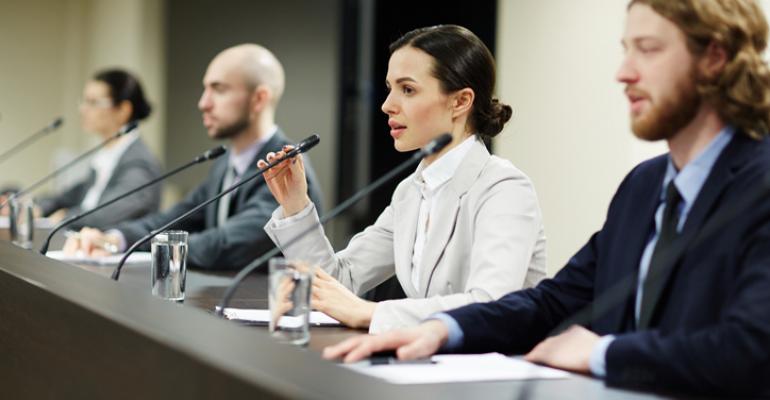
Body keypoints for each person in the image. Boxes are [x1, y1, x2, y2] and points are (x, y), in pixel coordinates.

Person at [323, 1, 770, 396]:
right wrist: (443, 329)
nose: (623, 72)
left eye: (648, 50)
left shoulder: (760, 184)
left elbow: (752, 349)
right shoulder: (644, 185)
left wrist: (604, 354)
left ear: (714, 58)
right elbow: (553, 300)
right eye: (625, 49)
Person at [258, 25, 546, 333]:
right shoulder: (411, 191)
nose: (387, 105)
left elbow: (490, 304)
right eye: (390, 88)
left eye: (407, 90)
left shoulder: (504, 189)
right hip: (430, 363)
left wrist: (373, 314)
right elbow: (341, 283)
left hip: (496, 371)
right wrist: (295, 205)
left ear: (460, 102)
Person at [63, 44, 324, 270]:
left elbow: (225, 245)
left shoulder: (286, 170)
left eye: (218, 89)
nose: (203, 103)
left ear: (259, 99)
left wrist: (146, 245)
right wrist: (116, 238)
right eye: (205, 89)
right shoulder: (225, 164)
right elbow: (174, 218)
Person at [37, 69, 162, 229]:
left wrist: (66, 217)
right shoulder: (107, 154)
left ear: (123, 110)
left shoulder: (140, 162)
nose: (83, 109)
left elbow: (108, 213)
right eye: (83, 101)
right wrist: (39, 207)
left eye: (93, 102)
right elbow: (73, 195)